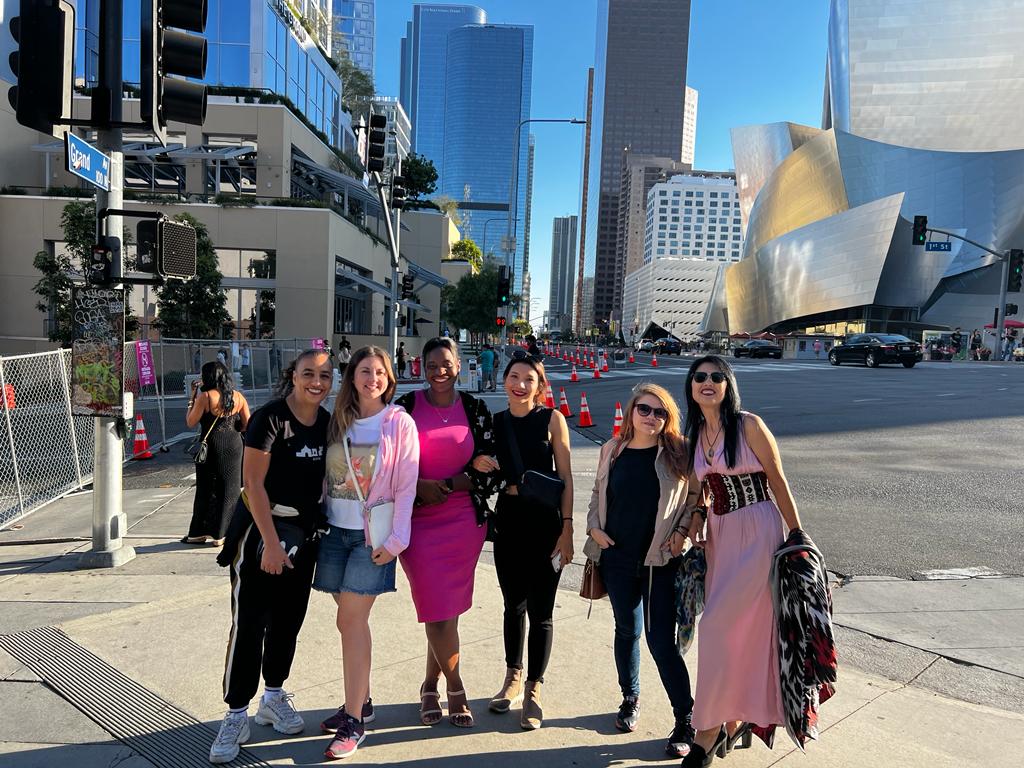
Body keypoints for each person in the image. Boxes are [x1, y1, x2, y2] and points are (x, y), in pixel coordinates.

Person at [208, 349, 334, 764]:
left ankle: (274, 697)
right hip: (262, 532)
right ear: (293, 376)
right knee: (250, 624)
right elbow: (252, 485)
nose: (317, 382)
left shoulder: (328, 423)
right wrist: (272, 545)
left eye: (325, 375)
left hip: (304, 536)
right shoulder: (270, 418)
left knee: (287, 623)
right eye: (308, 374)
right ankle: (236, 713)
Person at [681, 355, 804, 767]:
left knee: (716, 627)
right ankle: (735, 720)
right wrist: (697, 516)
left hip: (758, 530)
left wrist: (797, 534)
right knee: (735, 633)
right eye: (701, 377)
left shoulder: (748, 424)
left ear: (728, 384)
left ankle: (707, 731)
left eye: (717, 376)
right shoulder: (695, 432)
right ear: (692, 387)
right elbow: (699, 488)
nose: (709, 382)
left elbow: (777, 478)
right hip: (721, 537)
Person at [584, 383, 700, 758]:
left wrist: (682, 532)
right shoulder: (611, 450)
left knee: (660, 642)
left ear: (668, 418)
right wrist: (593, 528)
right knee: (625, 630)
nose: (651, 417)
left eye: (660, 412)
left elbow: (698, 495)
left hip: (659, 561)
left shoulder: (678, 452)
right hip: (616, 557)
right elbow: (597, 495)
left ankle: (686, 718)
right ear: (632, 411)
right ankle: (629, 698)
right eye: (644, 410)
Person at [314, 346, 419, 760]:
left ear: (389, 378)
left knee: (350, 620)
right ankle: (363, 700)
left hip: (370, 538)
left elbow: (407, 486)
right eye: (364, 370)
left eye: (379, 372)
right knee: (349, 625)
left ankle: (354, 721)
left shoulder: (398, 423)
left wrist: (397, 540)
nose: (372, 378)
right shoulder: (337, 421)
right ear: (352, 376)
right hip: (333, 532)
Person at [395, 338, 499, 728]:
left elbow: (493, 466)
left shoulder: (475, 409)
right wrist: (418, 486)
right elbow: (387, 465)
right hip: (418, 524)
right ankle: (456, 688)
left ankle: (428, 686)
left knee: (445, 614)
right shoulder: (404, 409)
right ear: (421, 367)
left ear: (459, 367)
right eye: (432, 364)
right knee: (436, 612)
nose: (440, 371)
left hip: (463, 523)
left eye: (447, 364)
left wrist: (454, 483)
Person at [488, 350, 574, 730]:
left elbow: (567, 478)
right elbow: (481, 466)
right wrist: (478, 462)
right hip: (508, 521)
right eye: (515, 377)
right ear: (504, 380)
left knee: (542, 611)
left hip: (546, 524)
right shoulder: (495, 422)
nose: (520, 385)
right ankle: (513, 676)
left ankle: (535, 688)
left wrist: (568, 528)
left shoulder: (552, 420)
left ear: (540, 387)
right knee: (513, 605)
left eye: (529, 380)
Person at [183, 362, 250, 546]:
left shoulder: (205, 396)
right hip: (234, 445)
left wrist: (192, 398)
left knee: (206, 488)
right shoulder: (238, 397)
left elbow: (191, 422)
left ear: (209, 377)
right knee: (230, 489)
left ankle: (198, 533)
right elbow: (247, 424)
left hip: (211, 446)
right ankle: (222, 534)